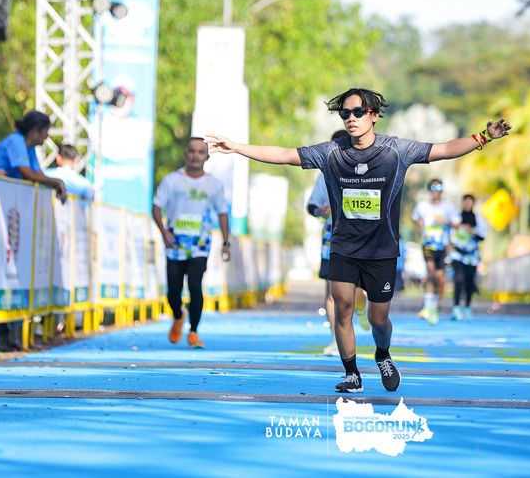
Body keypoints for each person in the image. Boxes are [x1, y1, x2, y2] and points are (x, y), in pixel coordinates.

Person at [205, 87, 511, 393]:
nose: (351, 118)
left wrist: (484, 136)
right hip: (343, 247)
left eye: (358, 112)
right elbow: (285, 155)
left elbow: (443, 149)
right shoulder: (331, 153)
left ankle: (383, 354)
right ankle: (352, 374)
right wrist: (236, 147)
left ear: (374, 115)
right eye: (345, 113)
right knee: (342, 308)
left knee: (379, 319)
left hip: (381, 250)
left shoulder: (396, 151)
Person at [152, 137, 230, 349]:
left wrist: (226, 242)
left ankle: (193, 331)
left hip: (199, 244)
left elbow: (222, 212)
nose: (196, 156)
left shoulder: (214, 185)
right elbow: (156, 206)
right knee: (173, 291)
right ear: (186, 154)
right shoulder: (171, 180)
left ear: (207, 156)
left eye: (200, 152)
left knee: (195, 285)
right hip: (175, 243)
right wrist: (163, 232)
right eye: (192, 151)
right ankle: (178, 315)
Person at [306, 131, 370, 358]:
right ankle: (336, 340)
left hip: (360, 238)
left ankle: (361, 307)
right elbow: (312, 206)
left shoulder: (366, 171)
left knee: (357, 290)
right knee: (332, 293)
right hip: (332, 240)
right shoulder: (324, 174)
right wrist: (320, 211)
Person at [0, 110, 66, 202]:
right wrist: (57, 182)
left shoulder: (30, 148)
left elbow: (39, 175)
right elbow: (29, 175)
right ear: (35, 131)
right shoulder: (16, 141)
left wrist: (55, 183)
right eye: (46, 131)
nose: (47, 135)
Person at [412, 178, 460, 325]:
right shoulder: (422, 206)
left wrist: (445, 222)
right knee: (431, 271)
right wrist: (419, 223)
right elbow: (414, 218)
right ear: (430, 190)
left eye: (439, 189)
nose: (437, 192)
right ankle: (428, 307)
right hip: (428, 244)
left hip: (442, 246)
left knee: (440, 277)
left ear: (442, 191)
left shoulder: (448, 207)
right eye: (434, 189)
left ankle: (433, 305)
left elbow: (457, 224)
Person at [450, 194, 486, 321]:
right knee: (458, 280)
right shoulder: (456, 217)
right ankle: (456, 308)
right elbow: (450, 233)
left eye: (470, 202)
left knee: (469, 282)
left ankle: (467, 307)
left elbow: (482, 236)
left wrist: (472, 231)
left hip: (472, 257)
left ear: (473, 204)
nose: (467, 204)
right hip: (458, 255)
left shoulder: (478, 219)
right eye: (465, 202)